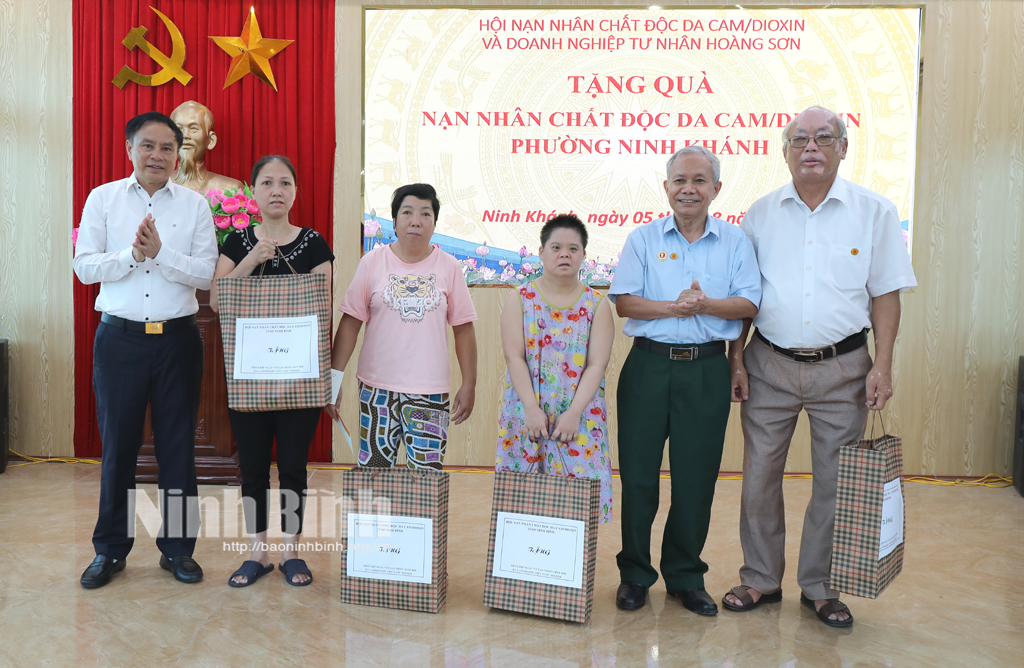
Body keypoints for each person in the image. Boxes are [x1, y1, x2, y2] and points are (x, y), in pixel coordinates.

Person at [723, 106, 917, 628]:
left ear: (843, 148)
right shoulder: (759, 214)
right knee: (760, 476)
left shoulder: (875, 212)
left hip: (845, 368)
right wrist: (736, 359)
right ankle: (761, 577)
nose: (811, 147)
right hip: (769, 364)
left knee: (835, 482)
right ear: (785, 150)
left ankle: (822, 587)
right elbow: (743, 298)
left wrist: (884, 364)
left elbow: (886, 295)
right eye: (799, 139)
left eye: (823, 137)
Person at [609, 146, 761, 615]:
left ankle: (685, 575)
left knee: (696, 478)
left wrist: (706, 305)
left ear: (716, 189)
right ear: (667, 187)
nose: (688, 189)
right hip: (648, 367)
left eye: (699, 180)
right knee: (637, 477)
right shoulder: (643, 239)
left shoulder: (735, 242)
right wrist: (674, 308)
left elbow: (749, 305)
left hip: (706, 370)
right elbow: (626, 303)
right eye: (679, 180)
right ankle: (635, 574)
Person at [74, 111, 218, 588]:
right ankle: (110, 551)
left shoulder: (195, 206)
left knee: (179, 448)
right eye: (148, 146)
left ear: (179, 156)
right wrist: (131, 256)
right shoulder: (104, 199)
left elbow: (205, 275)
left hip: (177, 340)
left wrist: (159, 253)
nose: (158, 155)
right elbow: (85, 267)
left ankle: (177, 550)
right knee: (118, 448)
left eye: (167, 148)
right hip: (120, 340)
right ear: (130, 149)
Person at [210, 155, 334, 587]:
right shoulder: (238, 242)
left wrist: (328, 381)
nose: (276, 189)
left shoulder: (314, 243)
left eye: (285, 182)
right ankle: (258, 553)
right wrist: (249, 262)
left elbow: (324, 309)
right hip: (250, 377)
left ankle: (292, 553)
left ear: (295, 191)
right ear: (254, 192)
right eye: (267, 182)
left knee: (295, 467)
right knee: (254, 467)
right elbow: (215, 301)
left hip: (299, 377)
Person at [327, 183, 477, 469]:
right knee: (373, 476)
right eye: (407, 212)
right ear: (394, 221)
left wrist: (469, 383)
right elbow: (350, 324)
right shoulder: (372, 262)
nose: (416, 221)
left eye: (425, 214)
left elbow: (464, 330)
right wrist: (333, 381)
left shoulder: (449, 267)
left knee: (426, 479)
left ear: (434, 223)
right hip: (376, 390)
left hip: (430, 392)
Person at [495, 215, 616, 522]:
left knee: (576, 506)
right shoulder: (520, 299)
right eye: (557, 247)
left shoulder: (597, 304)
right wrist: (532, 409)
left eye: (573, 248)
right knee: (522, 502)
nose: (565, 254)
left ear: (584, 256)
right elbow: (515, 358)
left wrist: (575, 413)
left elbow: (596, 364)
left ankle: (570, 570)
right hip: (527, 413)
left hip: (579, 417)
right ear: (541, 251)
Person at [170, 100, 243, 193]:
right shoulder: (154, 187)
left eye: (193, 129)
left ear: (211, 140)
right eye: (178, 129)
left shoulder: (230, 190)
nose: (185, 136)